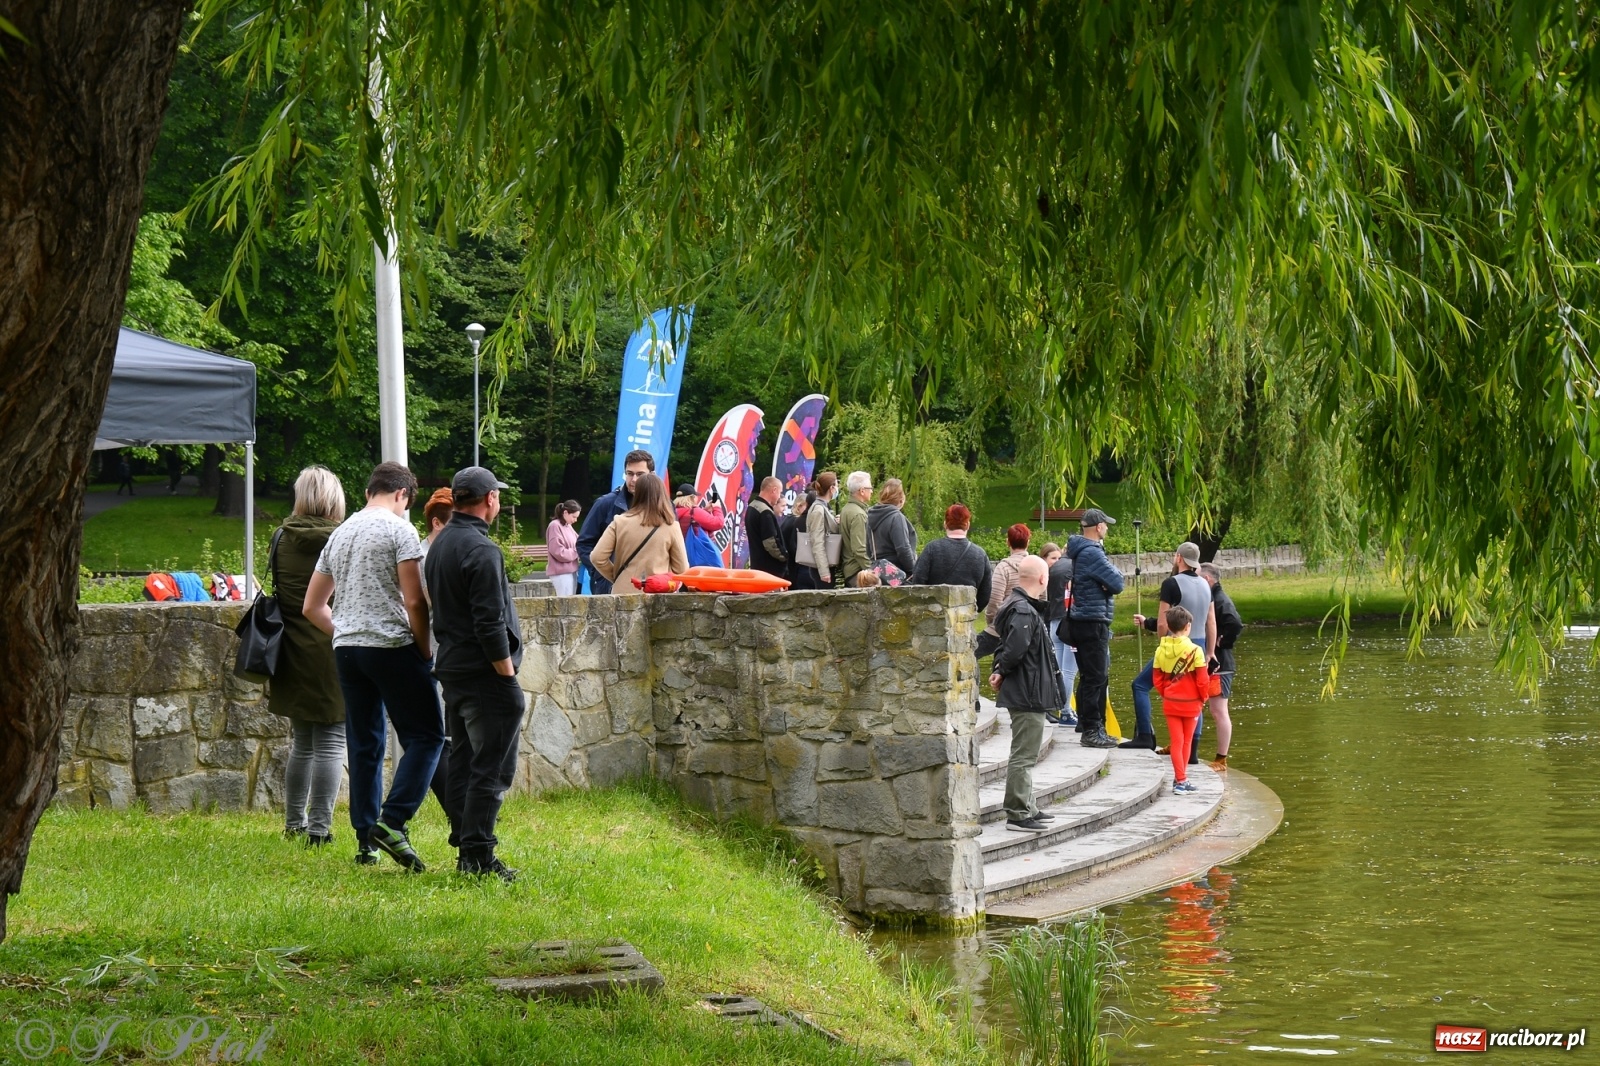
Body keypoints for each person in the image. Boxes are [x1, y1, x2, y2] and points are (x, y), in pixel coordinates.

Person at [303, 461, 444, 872]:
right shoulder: (400, 530)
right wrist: (423, 648)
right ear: (402, 495)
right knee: (427, 736)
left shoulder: (341, 532)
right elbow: (415, 600)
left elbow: (312, 606)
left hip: (347, 650)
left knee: (365, 744)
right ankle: (393, 821)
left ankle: (366, 842)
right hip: (391, 645)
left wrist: (345, 630)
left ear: (368, 492)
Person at [425, 466, 526, 881]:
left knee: (466, 763)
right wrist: (506, 675)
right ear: (490, 500)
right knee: (492, 768)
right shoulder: (481, 550)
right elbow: (489, 623)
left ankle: (467, 850)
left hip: (453, 670)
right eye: (497, 495)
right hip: (485, 674)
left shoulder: (442, 541)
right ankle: (480, 857)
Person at [270, 466, 347, 847]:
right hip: (333, 646)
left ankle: (293, 823)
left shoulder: (281, 536)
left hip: (291, 650)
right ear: (335, 498)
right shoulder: (342, 538)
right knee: (332, 741)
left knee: (302, 742)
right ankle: (319, 830)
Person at [984, 556, 1064, 832]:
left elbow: (1005, 645)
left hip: (1026, 688)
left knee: (1026, 752)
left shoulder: (1017, 606)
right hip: (1028, 691)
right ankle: (1018, 813)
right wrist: (1003, 670)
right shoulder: (1023, 611)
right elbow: (1016, 648)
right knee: (1025, 754)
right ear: (1043, 579)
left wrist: (1000, 669)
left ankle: (1027, 805)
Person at [1128, 541, 1217, 757]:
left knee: (1140, 685)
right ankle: (1192, 751)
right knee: (1196, 695)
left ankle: (1144, 737)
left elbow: (1162, 623)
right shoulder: (1206, 584)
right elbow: (1211, 621)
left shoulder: (1171, 583)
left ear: (1179, 558)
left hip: (1176, 645)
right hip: (1199, 644)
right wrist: (1210, 652)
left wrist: (1163, 646)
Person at [1065, 509, 1123, 748]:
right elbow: (1118, 583)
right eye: (1106, 525)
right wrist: (1106, 585)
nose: (1107, 528)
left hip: (1085, 619)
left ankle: (1092, 725)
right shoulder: (1092, 553)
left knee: (1092, 675)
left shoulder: (1082, 551)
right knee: (1096, 677)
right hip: (1092, 621)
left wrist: (1104, 583)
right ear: (1098, 527)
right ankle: (1091, 730)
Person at [1151, 605, 1211, 794]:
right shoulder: (1195, 651)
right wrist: (1204, 698)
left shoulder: (1160, 650)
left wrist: (1166, 693)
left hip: (1171, 702)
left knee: (1176, 741)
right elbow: (1202, 680)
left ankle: (1181, 780)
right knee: (1187, 741)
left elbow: (1157, 679)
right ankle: (1180, 779)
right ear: (1187, 627)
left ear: (1168, 625)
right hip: (1192, 703)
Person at [576, 449, 654, 594]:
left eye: (640, 474)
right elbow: (584, 543)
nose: (634, 479)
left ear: (652, 475)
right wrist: (601, 574)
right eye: (630, 473)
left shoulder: (664, 507)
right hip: (610, 588)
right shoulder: (605, 504)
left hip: (651, 587)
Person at [592, 473, 688, 590]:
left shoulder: (619, 521)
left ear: (637, 493)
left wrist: (617, 576)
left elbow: (597, 557)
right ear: (662, 494)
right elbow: (682, 569)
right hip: (657, 594)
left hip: (622, 591)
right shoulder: (671, 526)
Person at [1199, 562, 1243, 770]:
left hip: (1220, 664)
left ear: (1207, 580)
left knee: (1218, 710)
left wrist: (1222, 642)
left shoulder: (1220, 599)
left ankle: (1221, 758)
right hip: (1209, 662)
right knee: (1192, 705)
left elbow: (1235, 623)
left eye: (1198, 578)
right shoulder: (1209, 597)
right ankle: (1182, 744)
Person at [910, 504, 993, 608]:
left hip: (932, 614)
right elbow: (985, 594)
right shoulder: (980, 554)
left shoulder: (932, 549)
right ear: (967, 524)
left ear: (945, 524)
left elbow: (917, 583)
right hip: (965, 615)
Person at [1043, 539, 1077, 728]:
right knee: (1069, 671)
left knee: (1060, 670)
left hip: (1054, 622)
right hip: (1069, 624)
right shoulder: (1074, 567)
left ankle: (1060, 708)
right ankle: (1065, 711)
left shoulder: (1054, 568)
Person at [796, 472, 840, 589]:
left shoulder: (822, 507)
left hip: (824, 565)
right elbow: (817, 541)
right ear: (831, 488)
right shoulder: (818, 510)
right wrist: (824, 571)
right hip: (822, 568)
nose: (838, 488)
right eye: (837, 485)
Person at [866, 478, 918, 575]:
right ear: (901, 498)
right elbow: (903, 549)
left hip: (880, 573)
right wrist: (913, 571)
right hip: (898, 573)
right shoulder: (896, 517)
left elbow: (869, 550)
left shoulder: (871, 516)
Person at [986, 523, 1034, 623]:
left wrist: (993, 622)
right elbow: (1043, 597)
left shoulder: (1003, 568)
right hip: (1031, 623)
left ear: (1007, 542)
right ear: (1028, 542)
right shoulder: (1036, 566)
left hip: (1007, 623)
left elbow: (995, 600)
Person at [745, 476, 789, 578]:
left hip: (757, 565)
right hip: (770, 570)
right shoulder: (765, 512)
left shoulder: (752, 506)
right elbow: (771, 543)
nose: (779, 497)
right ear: (774, 490)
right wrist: (785, 556)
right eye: (779, 492)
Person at [838, 471, 874, 585]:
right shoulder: (858, 514)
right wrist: (873, 571)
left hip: (851, 570)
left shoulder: (847, 509)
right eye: (870, 488)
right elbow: (859, 549)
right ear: (862, 491)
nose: (872, 491)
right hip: (858, 572)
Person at [544, 500, 582, 596]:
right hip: (561, 573)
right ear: (565, 513)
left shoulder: (568, 526)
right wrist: (576, 552)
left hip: (571, 571)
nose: (575, 520)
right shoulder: (555, 526)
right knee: (564, 604)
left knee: (570, 603)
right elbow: (558, 552)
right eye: (574, 517)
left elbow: (579, 542)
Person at [779, 491, 812, 580]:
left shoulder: (788, 519)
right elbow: (795, 547)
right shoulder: (798, 522)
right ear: (799, 506)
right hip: (796, 569)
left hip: (788, 566)